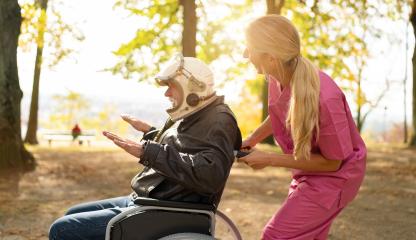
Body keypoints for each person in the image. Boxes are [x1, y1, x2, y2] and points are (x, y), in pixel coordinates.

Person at [48, 54, 242, 240]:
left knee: (64, 229)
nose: (166, 93)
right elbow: (183, 147)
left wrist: (147, 151)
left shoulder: (218, 120)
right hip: (149, 199)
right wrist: (150, 133)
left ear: (191, 87)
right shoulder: (196, 114)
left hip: (166, 209)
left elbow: (210, 174)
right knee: (72, 213)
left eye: (171, 87)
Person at [238, 15, 366, 240]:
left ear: (270, 57)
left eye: (249, 50)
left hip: (335, 179)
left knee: (275, 236)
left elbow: (333, 162)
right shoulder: (276, 77)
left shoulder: (325, 98)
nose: (245, 55)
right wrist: (253, 138)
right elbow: (280, 112)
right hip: (307, 172)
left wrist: (269, 159)